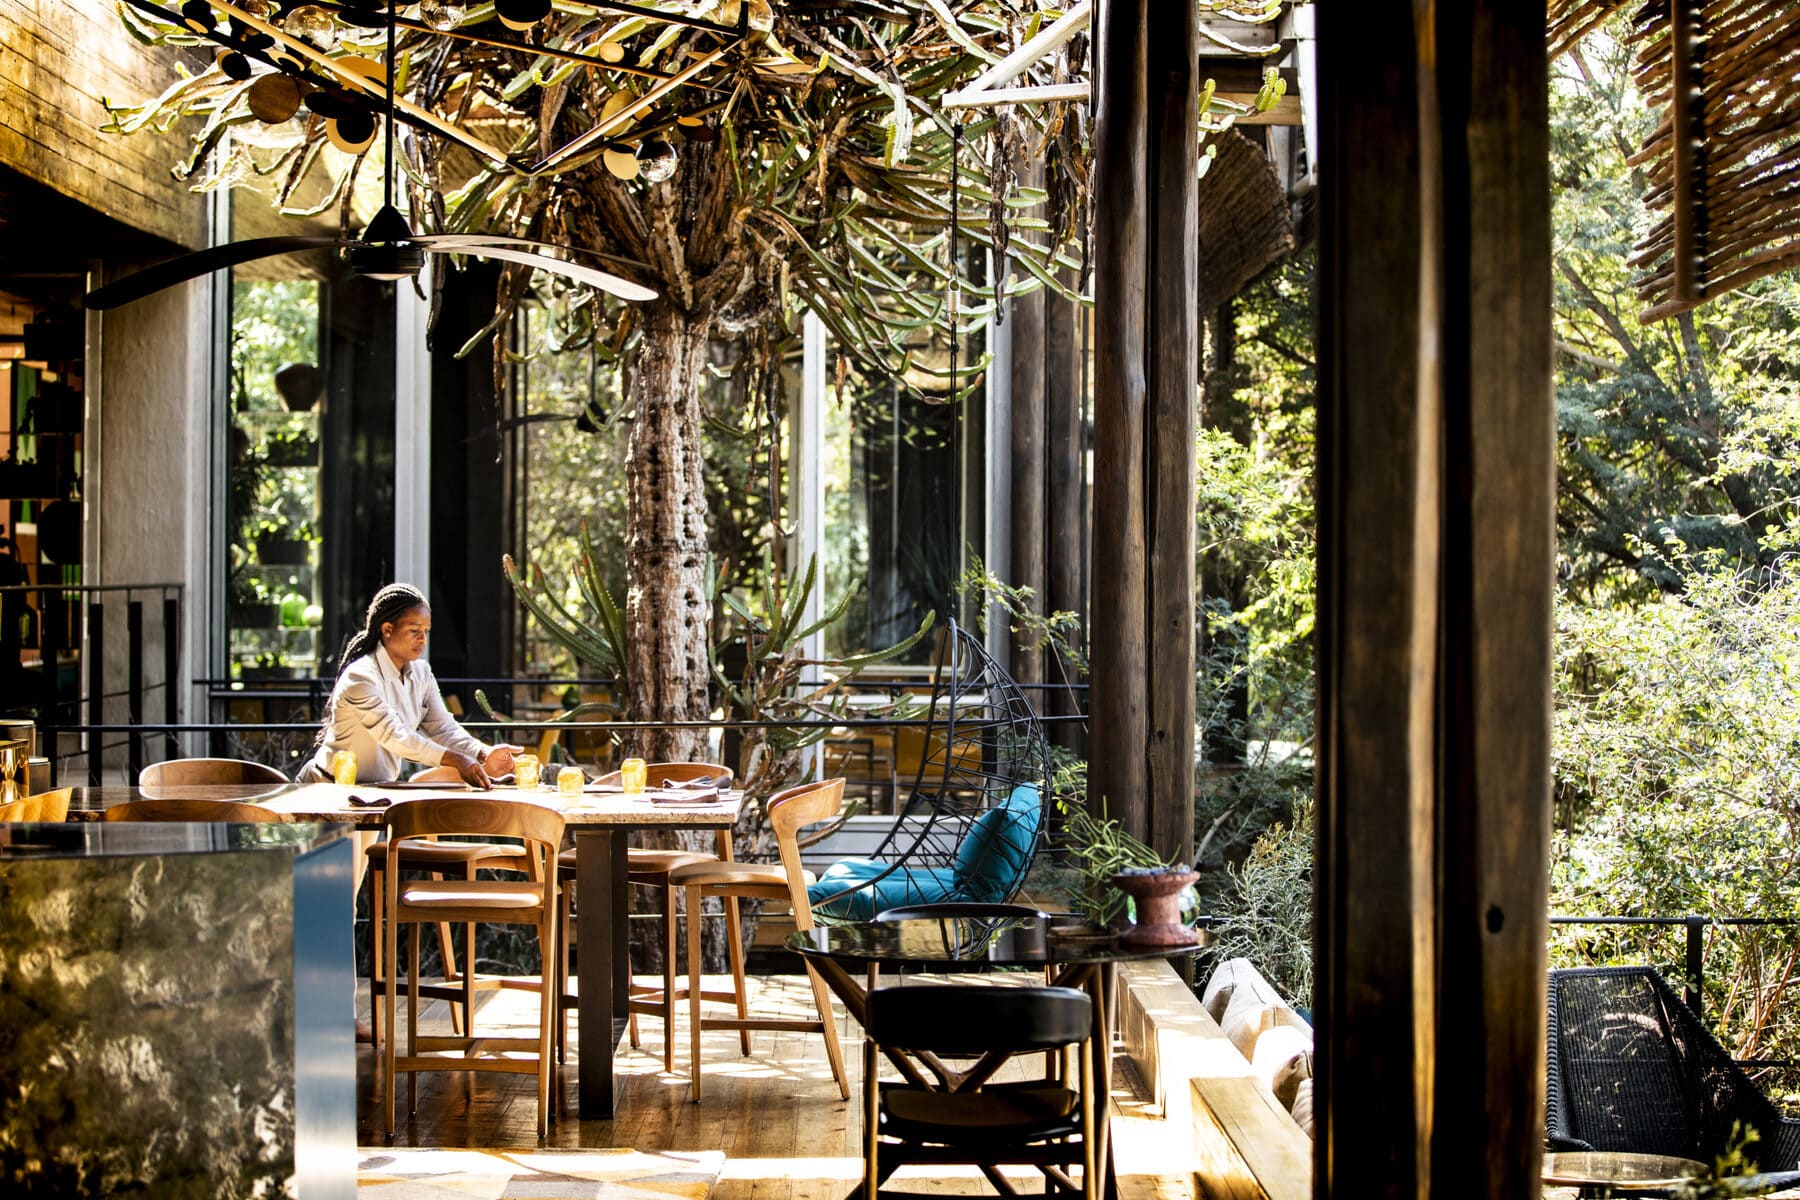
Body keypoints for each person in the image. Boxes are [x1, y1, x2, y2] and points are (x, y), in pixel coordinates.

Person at [296, 582, 520, 787]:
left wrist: (482, 753)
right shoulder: (360, 676)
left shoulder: (422, 673)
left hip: (375, 792)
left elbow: (442, 727)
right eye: (414, 631)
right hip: (325, 787)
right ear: (387, 629)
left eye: (426, 631)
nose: (422, 639)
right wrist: (457, 760)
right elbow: (395, 736)